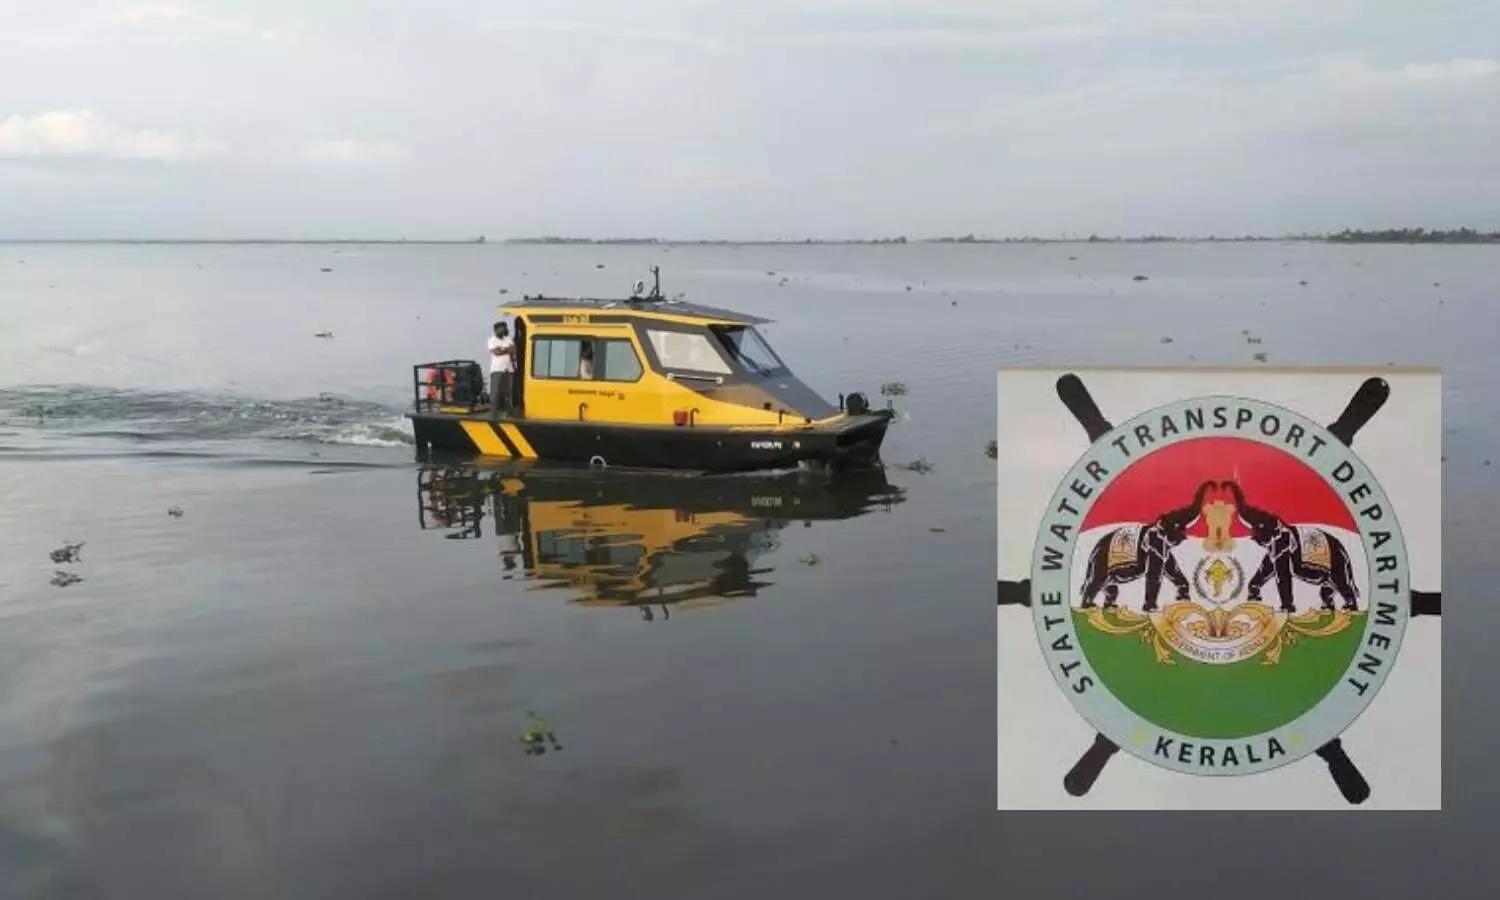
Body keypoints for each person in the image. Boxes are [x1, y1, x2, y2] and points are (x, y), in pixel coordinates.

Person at [488, 320, 516, 420]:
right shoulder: (492, 340)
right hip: (497, 370)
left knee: (508, 392)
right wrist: (506, 350)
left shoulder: (508, 339)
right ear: (496, 330)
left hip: (509, 369)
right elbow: (496, 352)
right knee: (495, 393)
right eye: (500, 328)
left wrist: (503, 349)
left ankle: (509, 414)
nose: (502, 330)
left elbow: (513, 350)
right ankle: (493, 415)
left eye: (503, 328)